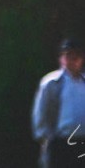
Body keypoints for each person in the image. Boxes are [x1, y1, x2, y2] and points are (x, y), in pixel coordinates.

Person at [32, 36, 85, 167]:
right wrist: (45, 140)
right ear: (62, 58)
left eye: (76, 56)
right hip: (60, 143)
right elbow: (41, 113)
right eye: (68, 55)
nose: (72, 60)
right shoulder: (52, 83)